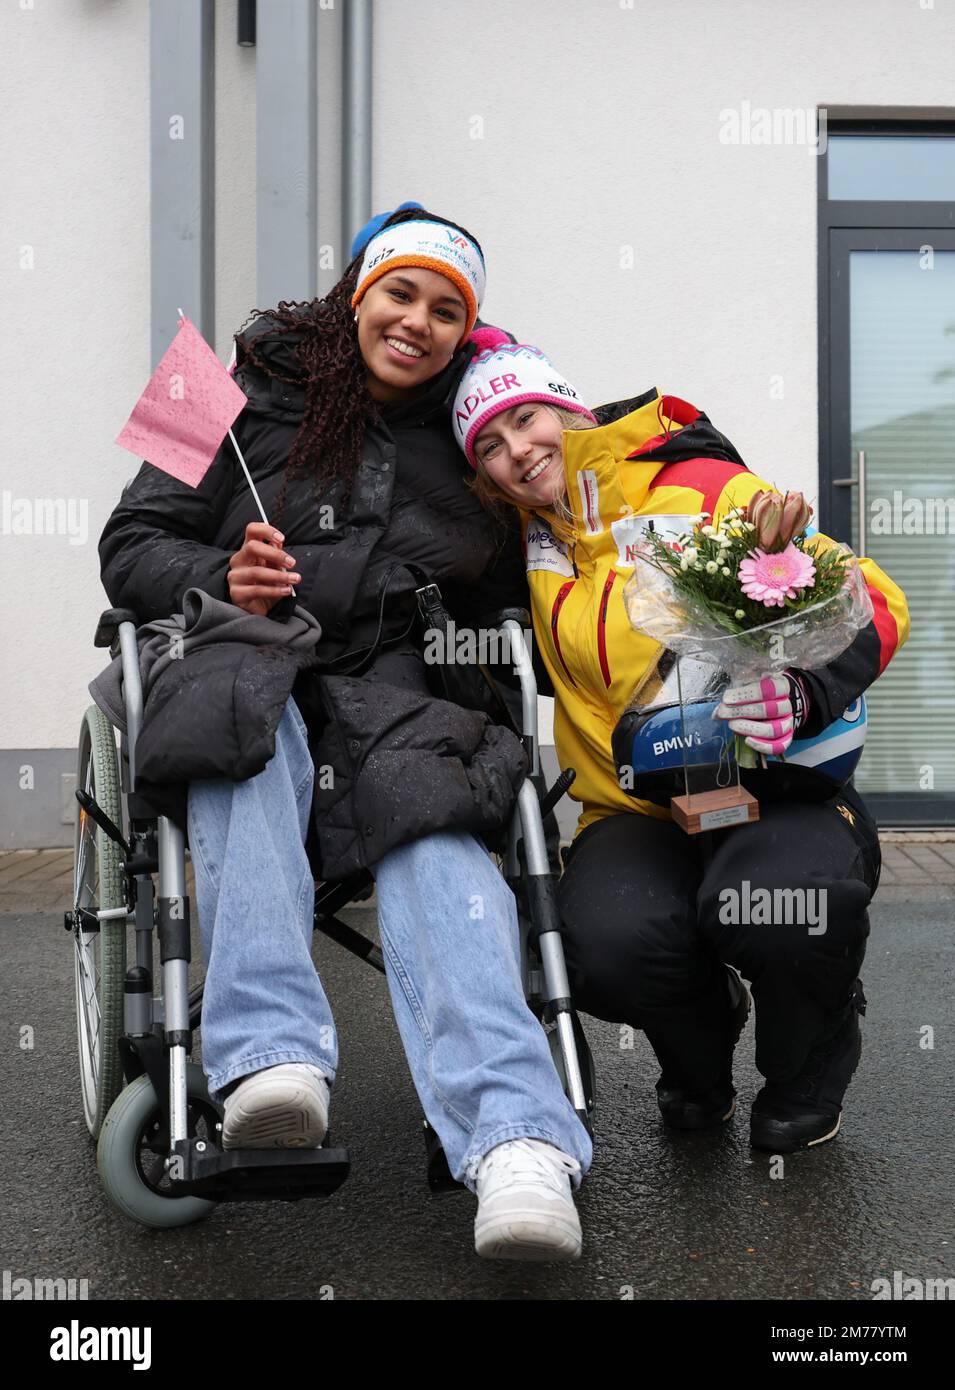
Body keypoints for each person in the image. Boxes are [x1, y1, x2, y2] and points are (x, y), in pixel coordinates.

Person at [98, 212, 591, 1261]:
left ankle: (518, 1144)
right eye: (400, 293)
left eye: (447, 308)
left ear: (467, 331)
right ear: (355, 292)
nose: (418, 321)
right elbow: (126, 544)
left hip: (396, 688)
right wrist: (217, 576)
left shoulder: (470, 429)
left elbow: (544, 552)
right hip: (238, 654)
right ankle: (269, 1058)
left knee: (436, 813)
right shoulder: (211, 380)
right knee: (244, 715)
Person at [451, 338, 910, 1153]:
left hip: (763, 784)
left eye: (526, 419)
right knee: (601, 946)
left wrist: (805, 693)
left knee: (786, 911)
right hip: (630, 805)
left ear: (570, 411)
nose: (516, 450)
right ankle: (700, 1052)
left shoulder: (693, 483)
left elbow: (869, 597)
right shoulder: (520, 548)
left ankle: (806, 1062)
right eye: (489, 444)